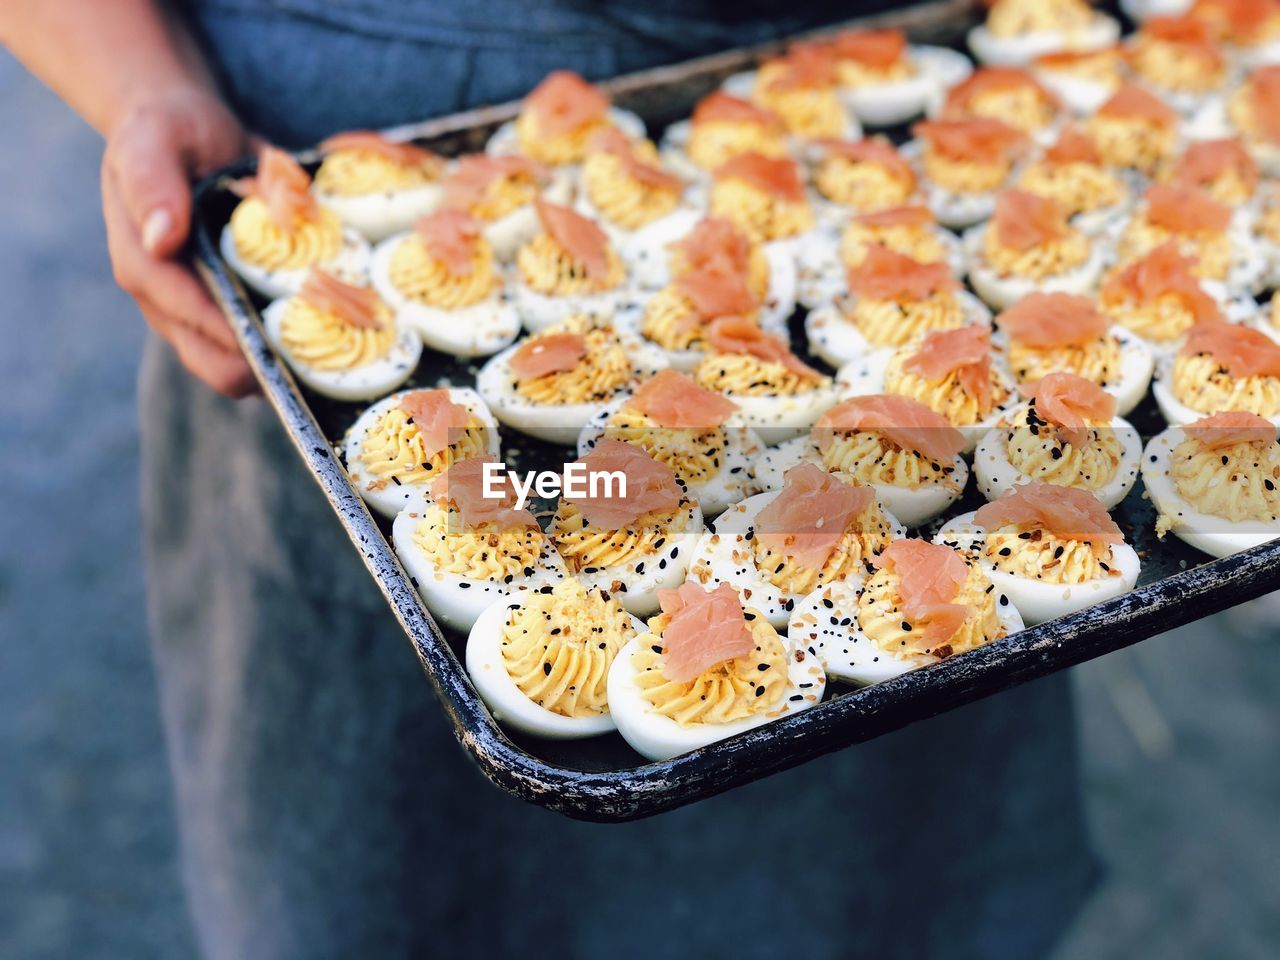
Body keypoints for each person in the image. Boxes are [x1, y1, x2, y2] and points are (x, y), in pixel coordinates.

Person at [1, 3, 1099, 957]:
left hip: (860, 165)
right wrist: (142, 84)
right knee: (389, 859)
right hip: (328, 171)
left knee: (874, 839)